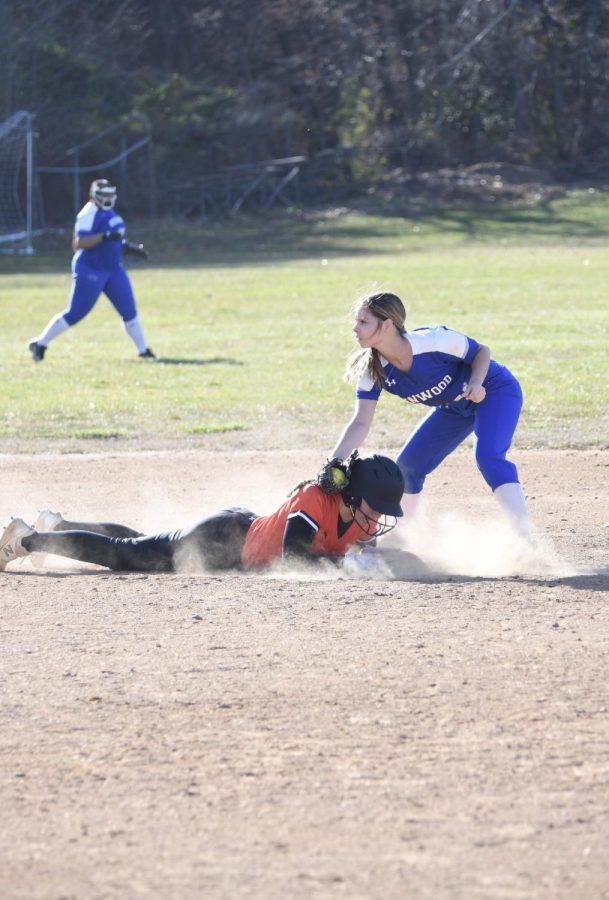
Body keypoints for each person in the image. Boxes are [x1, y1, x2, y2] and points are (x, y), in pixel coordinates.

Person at [329, 291, 531, 539]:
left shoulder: (432, 342)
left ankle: (525, 538)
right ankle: (401, 539)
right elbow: (360, 423)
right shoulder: (373, 371)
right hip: (454, 408)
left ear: (388, 325)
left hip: (494, 390)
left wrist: (477, 383)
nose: (355, 328)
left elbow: (481, 352)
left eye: (363, 321)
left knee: (488, 456)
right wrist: (334, 460)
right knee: (407, 466)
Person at [0, 453, 405, 574]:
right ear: (353, 496)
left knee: (141, 542)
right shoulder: (318, 499)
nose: (378, 517)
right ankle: (23, 539)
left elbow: (346, 553)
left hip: (234, 532)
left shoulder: (356, 522)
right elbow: (297, 556)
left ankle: (58, 526)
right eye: (376, 506)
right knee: (124, 554)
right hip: (220, 542)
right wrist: (349, 566)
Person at [28, 179, 155, 362]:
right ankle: (40, 344)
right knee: (76, 313)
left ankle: (143, 351)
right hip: (91, 269)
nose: (107, 198)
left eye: (110, 194)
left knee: (129, 310)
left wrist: (125, 247)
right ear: (94, 195)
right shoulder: (88, 213)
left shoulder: (109, 211)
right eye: (104, 195)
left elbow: (114, 237)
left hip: (113, 268)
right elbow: (79, 243)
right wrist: (104, 236)